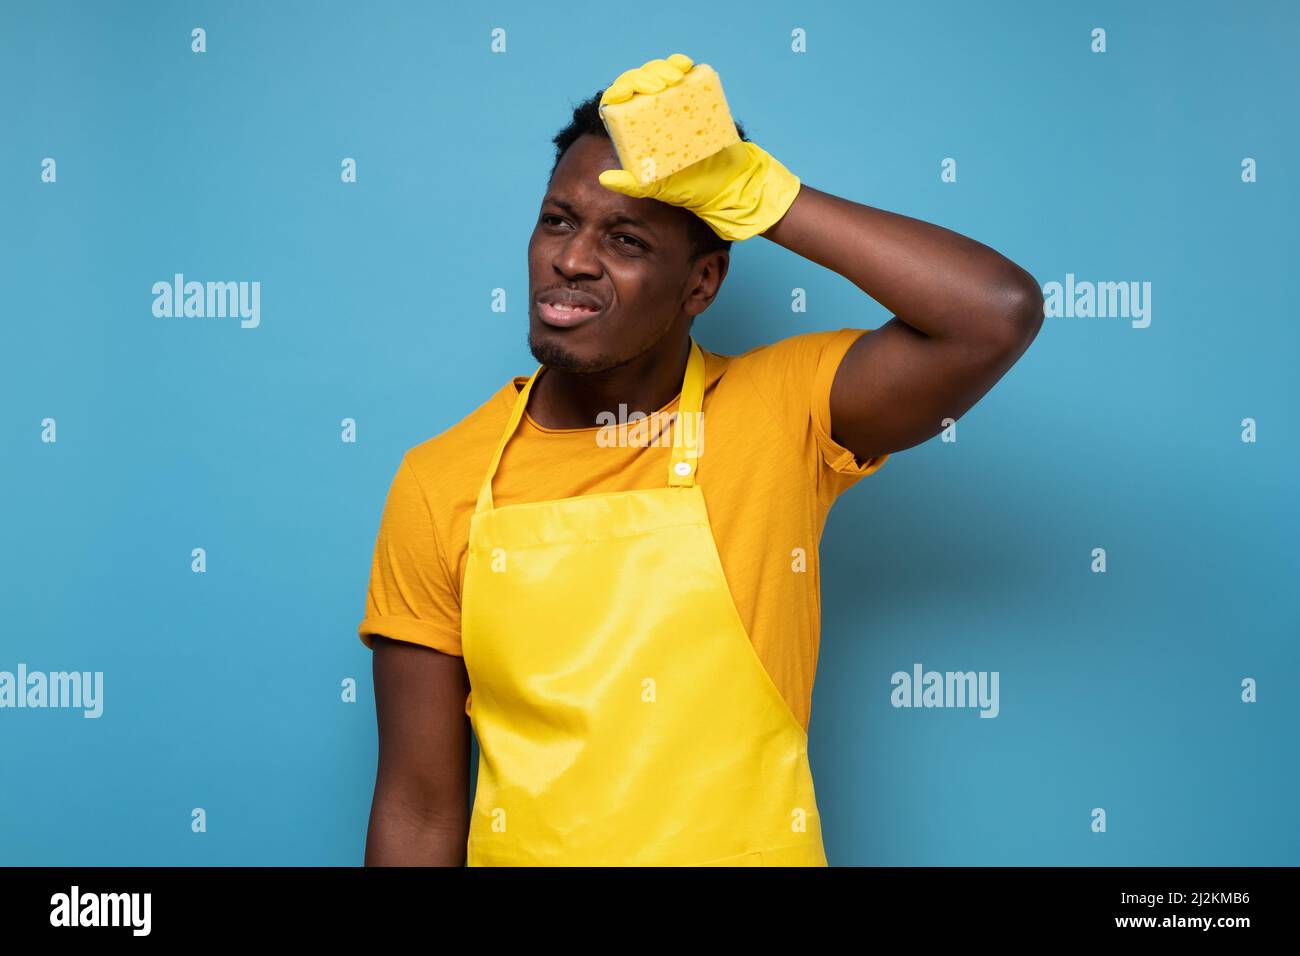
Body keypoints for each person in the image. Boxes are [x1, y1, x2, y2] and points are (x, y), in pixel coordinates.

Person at [358, 53, 1043, 866]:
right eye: (558, 221)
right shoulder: (440, 479)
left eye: (625, 238)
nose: (572, 260)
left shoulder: (779, 412)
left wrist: (765, 198)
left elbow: (994, 314)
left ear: (702, 283)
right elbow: (417, 811)